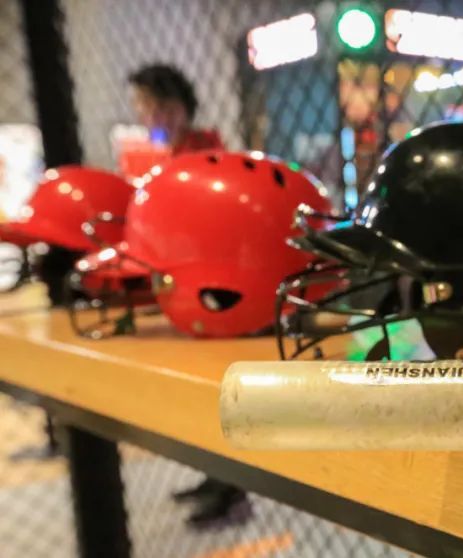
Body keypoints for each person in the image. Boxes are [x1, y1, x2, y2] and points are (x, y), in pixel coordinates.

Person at [127, 63, 249, 529]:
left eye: (156, 105)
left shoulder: (202, 153)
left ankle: (232, 490)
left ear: (179, 107)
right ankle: (216, 478)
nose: (149, 116)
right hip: (195, 284)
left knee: (220, 388)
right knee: (206, 390)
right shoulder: (178, 152)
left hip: (213, 287)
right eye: (144, 106)